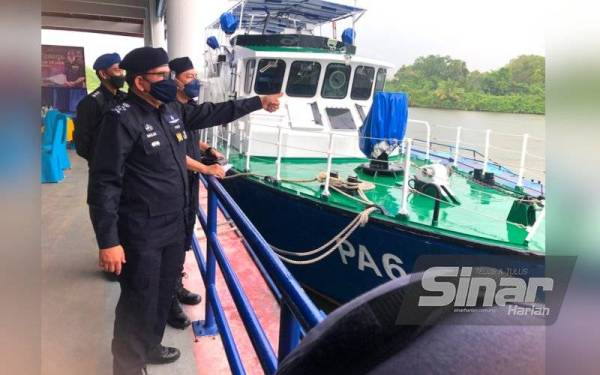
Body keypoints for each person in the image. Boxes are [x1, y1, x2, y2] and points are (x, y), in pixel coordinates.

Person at [87, 46, 282, 375]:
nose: (169, 81)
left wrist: (259, 101)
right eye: (161, 76)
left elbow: (214, 112)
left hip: (174, 225)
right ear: (140, 82)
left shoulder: (170, 110)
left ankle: (150, 346)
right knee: (139, 301)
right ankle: (128, 367)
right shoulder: (122, 119)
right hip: (141, 231)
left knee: (163, 295)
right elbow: (104, 183)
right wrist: (108, 240)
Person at [165, 56, 225, 330]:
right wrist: (206, 167)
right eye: (189, 76)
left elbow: (186, 138)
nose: (195, 81)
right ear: (174, 78)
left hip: (188, 181)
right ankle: (167, 303)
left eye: (195, 75)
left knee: (184, 236)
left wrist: (206, 149)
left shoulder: (188, 107)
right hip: (174, 183)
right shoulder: (167, 108)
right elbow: (174, 151)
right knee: (172, 241)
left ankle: (176, 285)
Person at [74, 52, 127, 165]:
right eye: (117, 70)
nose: (122, 74)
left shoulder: (125, 98)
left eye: (123, 71)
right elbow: (82, 144)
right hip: (104, 168)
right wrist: (102, 160)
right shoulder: (90, 103)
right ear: (103, 74)